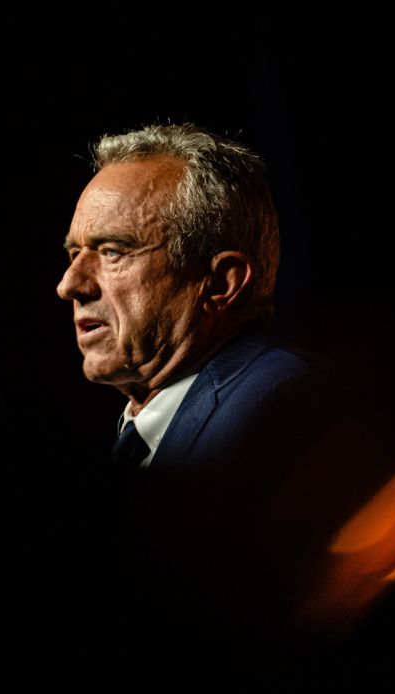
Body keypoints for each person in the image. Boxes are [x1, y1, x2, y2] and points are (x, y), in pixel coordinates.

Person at [57, 123, 318, 471]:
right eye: (75, 254)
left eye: (113, 252)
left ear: (220, 284)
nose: (69, 285)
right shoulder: (145, 426)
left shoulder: (284, 410)